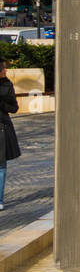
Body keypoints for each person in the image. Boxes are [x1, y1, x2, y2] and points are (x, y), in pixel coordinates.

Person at [0, 61, 20, 209]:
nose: (6, 70)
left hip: (2, 128)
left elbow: (14, 108)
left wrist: (2, 104)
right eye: (4, 68)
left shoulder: (7, 85)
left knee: (1, 165)